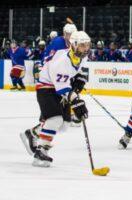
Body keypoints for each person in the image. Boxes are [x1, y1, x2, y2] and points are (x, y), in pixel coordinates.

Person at [21, 31, 91, 167]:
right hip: (46, 87)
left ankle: (32, 133)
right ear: (74, 45)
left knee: (64, 124)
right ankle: (41, 152)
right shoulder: (61, 62)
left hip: (58, 85)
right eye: (83, 45)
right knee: (55, 119)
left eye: (87, 45)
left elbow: (79, 70)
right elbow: (63, 89)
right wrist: (76, 101)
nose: (86, 48)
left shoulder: (81, 56)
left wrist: (80, 78)